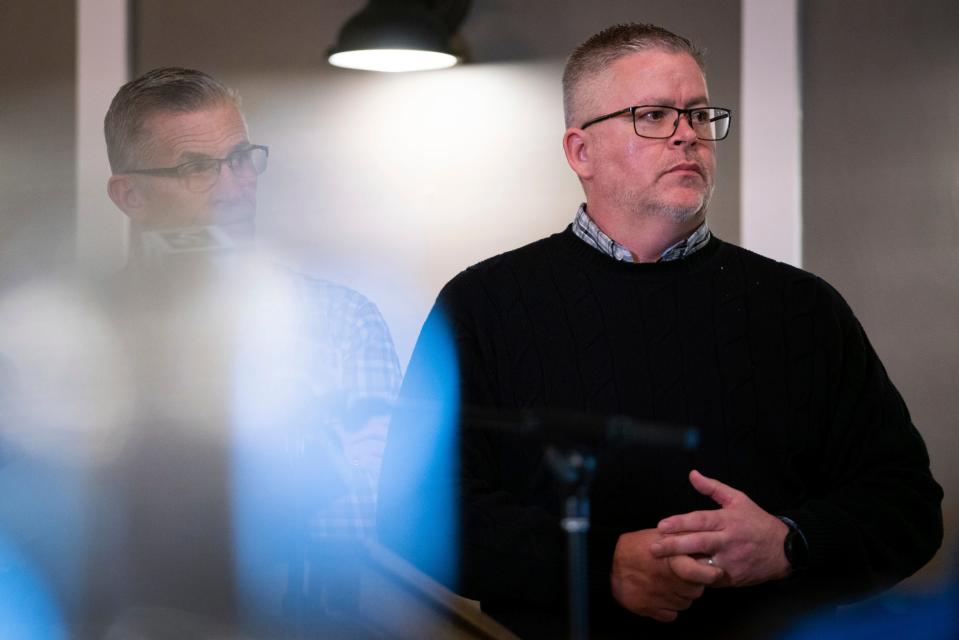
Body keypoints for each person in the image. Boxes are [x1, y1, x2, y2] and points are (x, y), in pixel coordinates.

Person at [378, 23, 943, 639]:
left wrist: (790, 543)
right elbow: (415, 512)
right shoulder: (483, 304)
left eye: (699, 116)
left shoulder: (804, 309)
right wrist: (605, 568)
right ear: (580, 152)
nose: (686, 134)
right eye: (652, 115)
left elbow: (907, 505)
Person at [100, 67, 402, 634]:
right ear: (130, 194)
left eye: (241, 159)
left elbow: (368, 518)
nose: (235, 187)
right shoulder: (79, 333)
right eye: (197, 169)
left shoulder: (341, 321)